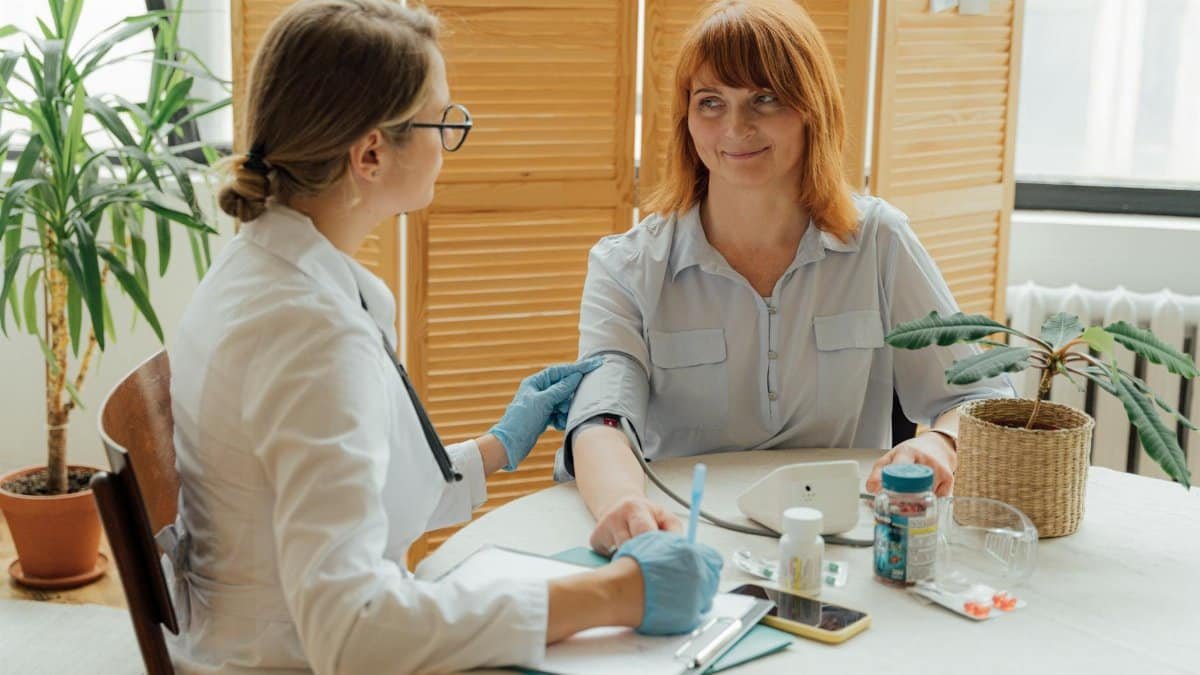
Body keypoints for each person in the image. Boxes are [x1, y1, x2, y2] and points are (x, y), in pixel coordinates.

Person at [161, 1, 721, 673]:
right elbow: (352, 633)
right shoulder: (312, 336)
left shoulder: (261, 269)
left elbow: (333, 494)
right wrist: (615, 593)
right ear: (371, 152)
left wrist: (491, 450)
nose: (451, 138)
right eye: (442, 120)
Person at [555, 0, 1014, 555]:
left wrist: (941, 444)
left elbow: (981, 393)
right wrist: (622, 506)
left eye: (764, 99)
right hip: (685, 538)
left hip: (842, 542)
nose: (735, 127)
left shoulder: (880, 241)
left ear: (811, 109)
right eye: (710, 102)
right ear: (687, 120)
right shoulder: (626, 266)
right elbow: (600, 419)